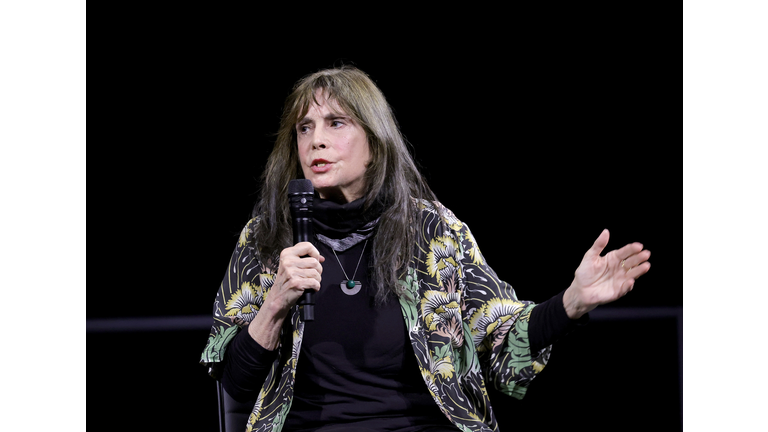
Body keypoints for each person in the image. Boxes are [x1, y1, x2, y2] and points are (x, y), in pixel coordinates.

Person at [200, 66, 651, 432]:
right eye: (305, 128)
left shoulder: (432, 230)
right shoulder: (266, 239)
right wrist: (274, 304)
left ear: (375, 143)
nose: (316, 140)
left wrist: (571, 302)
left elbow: (501, 337)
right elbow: (236, 385)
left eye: (336, 123)